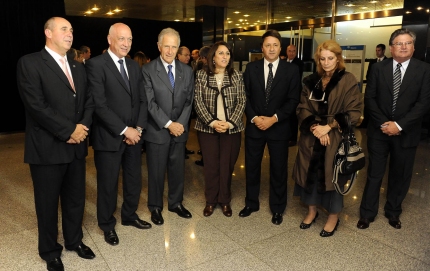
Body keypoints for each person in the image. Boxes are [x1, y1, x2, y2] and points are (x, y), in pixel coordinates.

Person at [16, 17, 95, 271]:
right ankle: (50, 251)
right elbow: (36, 106)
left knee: (75, 200)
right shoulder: (30, 63)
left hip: (76, 147)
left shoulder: (78, 66)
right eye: (64, 29)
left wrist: (81, 129)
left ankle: (74, 241)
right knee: (47, 204)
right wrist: (69, 130)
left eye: (71, 30)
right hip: (48, 149)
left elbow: (88, 102)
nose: (70, 34)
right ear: (48, 32)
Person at [357, 29, 430, 230]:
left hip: (407, 133)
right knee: (374, 173)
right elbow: (369, 98)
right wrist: (385, 124)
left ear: (414, 47)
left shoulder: (424, 70)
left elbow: (423, 103)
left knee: (401, 174)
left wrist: (399, 125)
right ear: (391, 47)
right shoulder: (378, 69)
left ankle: (393, 212)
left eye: (408, 43)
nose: (403, 46)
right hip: (379, 131)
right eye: (399, 43)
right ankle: (367, 214)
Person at [86, 22, 151, 247]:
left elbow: (143, 100)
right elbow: (99, 105)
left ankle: (130, 215)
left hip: (134, 137)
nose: (126, 43)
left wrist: (138, 129)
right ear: (109, 39)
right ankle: (107, 225)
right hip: (109, 137)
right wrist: (125, 130)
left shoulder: (134, 66)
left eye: (130, 39)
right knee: (108, 184)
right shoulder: (95, 65)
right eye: (121, 39)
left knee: (133, 180)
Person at [292, 40, 362, 237]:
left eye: (330, 58)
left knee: (333, 176)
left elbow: (354, 111)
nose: (326, 62)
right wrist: (315, 127)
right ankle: (312, 211)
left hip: (335, 138)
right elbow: (302, 108)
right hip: (311, 137)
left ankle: (333, 216)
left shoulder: (348, 80)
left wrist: (328, 127)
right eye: (322, 58)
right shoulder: (311, 80)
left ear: (338, 58)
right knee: (309, 175)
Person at [239, 29, 300, 225]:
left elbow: (293, 100)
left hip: (279, 128)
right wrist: (255, 118)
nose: (271, 48)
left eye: (275, 45)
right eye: (267, 45)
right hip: (255, 127)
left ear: (280, 47)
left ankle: (278, 207)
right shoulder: (251, 68)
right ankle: (251, 203)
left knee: (278, 169)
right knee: (252, 167)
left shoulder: (291, 70)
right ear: (262, 48)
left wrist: (273, 119)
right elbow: (245, 97)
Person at [142, 27, 195, 226]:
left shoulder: (187, 71)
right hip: (158, 130)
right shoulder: (148, 70)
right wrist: (168, 124)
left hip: (179, 130)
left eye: (174, 47)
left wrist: (179, 124)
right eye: (166, 46)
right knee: (156, 172)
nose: (170, 51)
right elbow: (149, 103)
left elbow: (189, 101)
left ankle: (176, 203)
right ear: (158, 46)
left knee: (177, 169)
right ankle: (155, 206)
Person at [194, 41, 246, 217]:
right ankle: (210, 201)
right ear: (213, 57)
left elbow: (242, 101)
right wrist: (212, 122)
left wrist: (230, 122)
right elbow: (198, 102)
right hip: (207, 128)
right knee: (211, 166)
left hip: (231, 129)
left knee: (226, 165)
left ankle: (224, 201)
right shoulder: (201, 75)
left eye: (227, 54)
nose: (225, 57)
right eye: (221, 53)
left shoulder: (237, 75)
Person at [359, 44, 388, 128]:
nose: (377, 52)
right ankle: (365, 123)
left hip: (382, 88)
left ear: (383, 51)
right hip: (372, 87)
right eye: (376, 50)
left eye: (379, 50)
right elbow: (368, 75)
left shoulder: (388, 61)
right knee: (368, 104)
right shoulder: (373, 62)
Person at [194, 45, 212, 167]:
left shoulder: (202, 69)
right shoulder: (203, 69)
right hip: (205, 112)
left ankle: (205, 159)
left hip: (204, 113)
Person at [176, 45, 195, 157]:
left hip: (186, 110)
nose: (189, 57)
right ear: (178, 56)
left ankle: (183, 148)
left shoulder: (189, 70)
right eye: (186, 55)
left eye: (189, 55)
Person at [285, 44, 304, 147]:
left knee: (293, 117)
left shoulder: (299, 63)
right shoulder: (283, 62)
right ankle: (286, 136)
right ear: (286, 51)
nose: (291, 53)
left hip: (294, 93)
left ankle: (293, 138)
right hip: (284, 94)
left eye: (293, 51)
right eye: (289, 51)